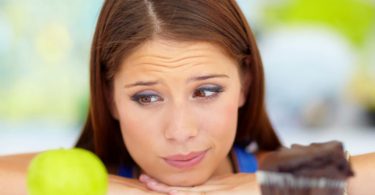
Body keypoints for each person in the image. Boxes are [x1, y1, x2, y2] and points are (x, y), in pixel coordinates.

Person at [0, 0, 374, 195]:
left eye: (207, 91)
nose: (180, 131)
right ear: (109, 97)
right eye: (147, 97)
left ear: (244, 83)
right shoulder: (89, 180)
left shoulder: (277, 176)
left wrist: (274, 183)